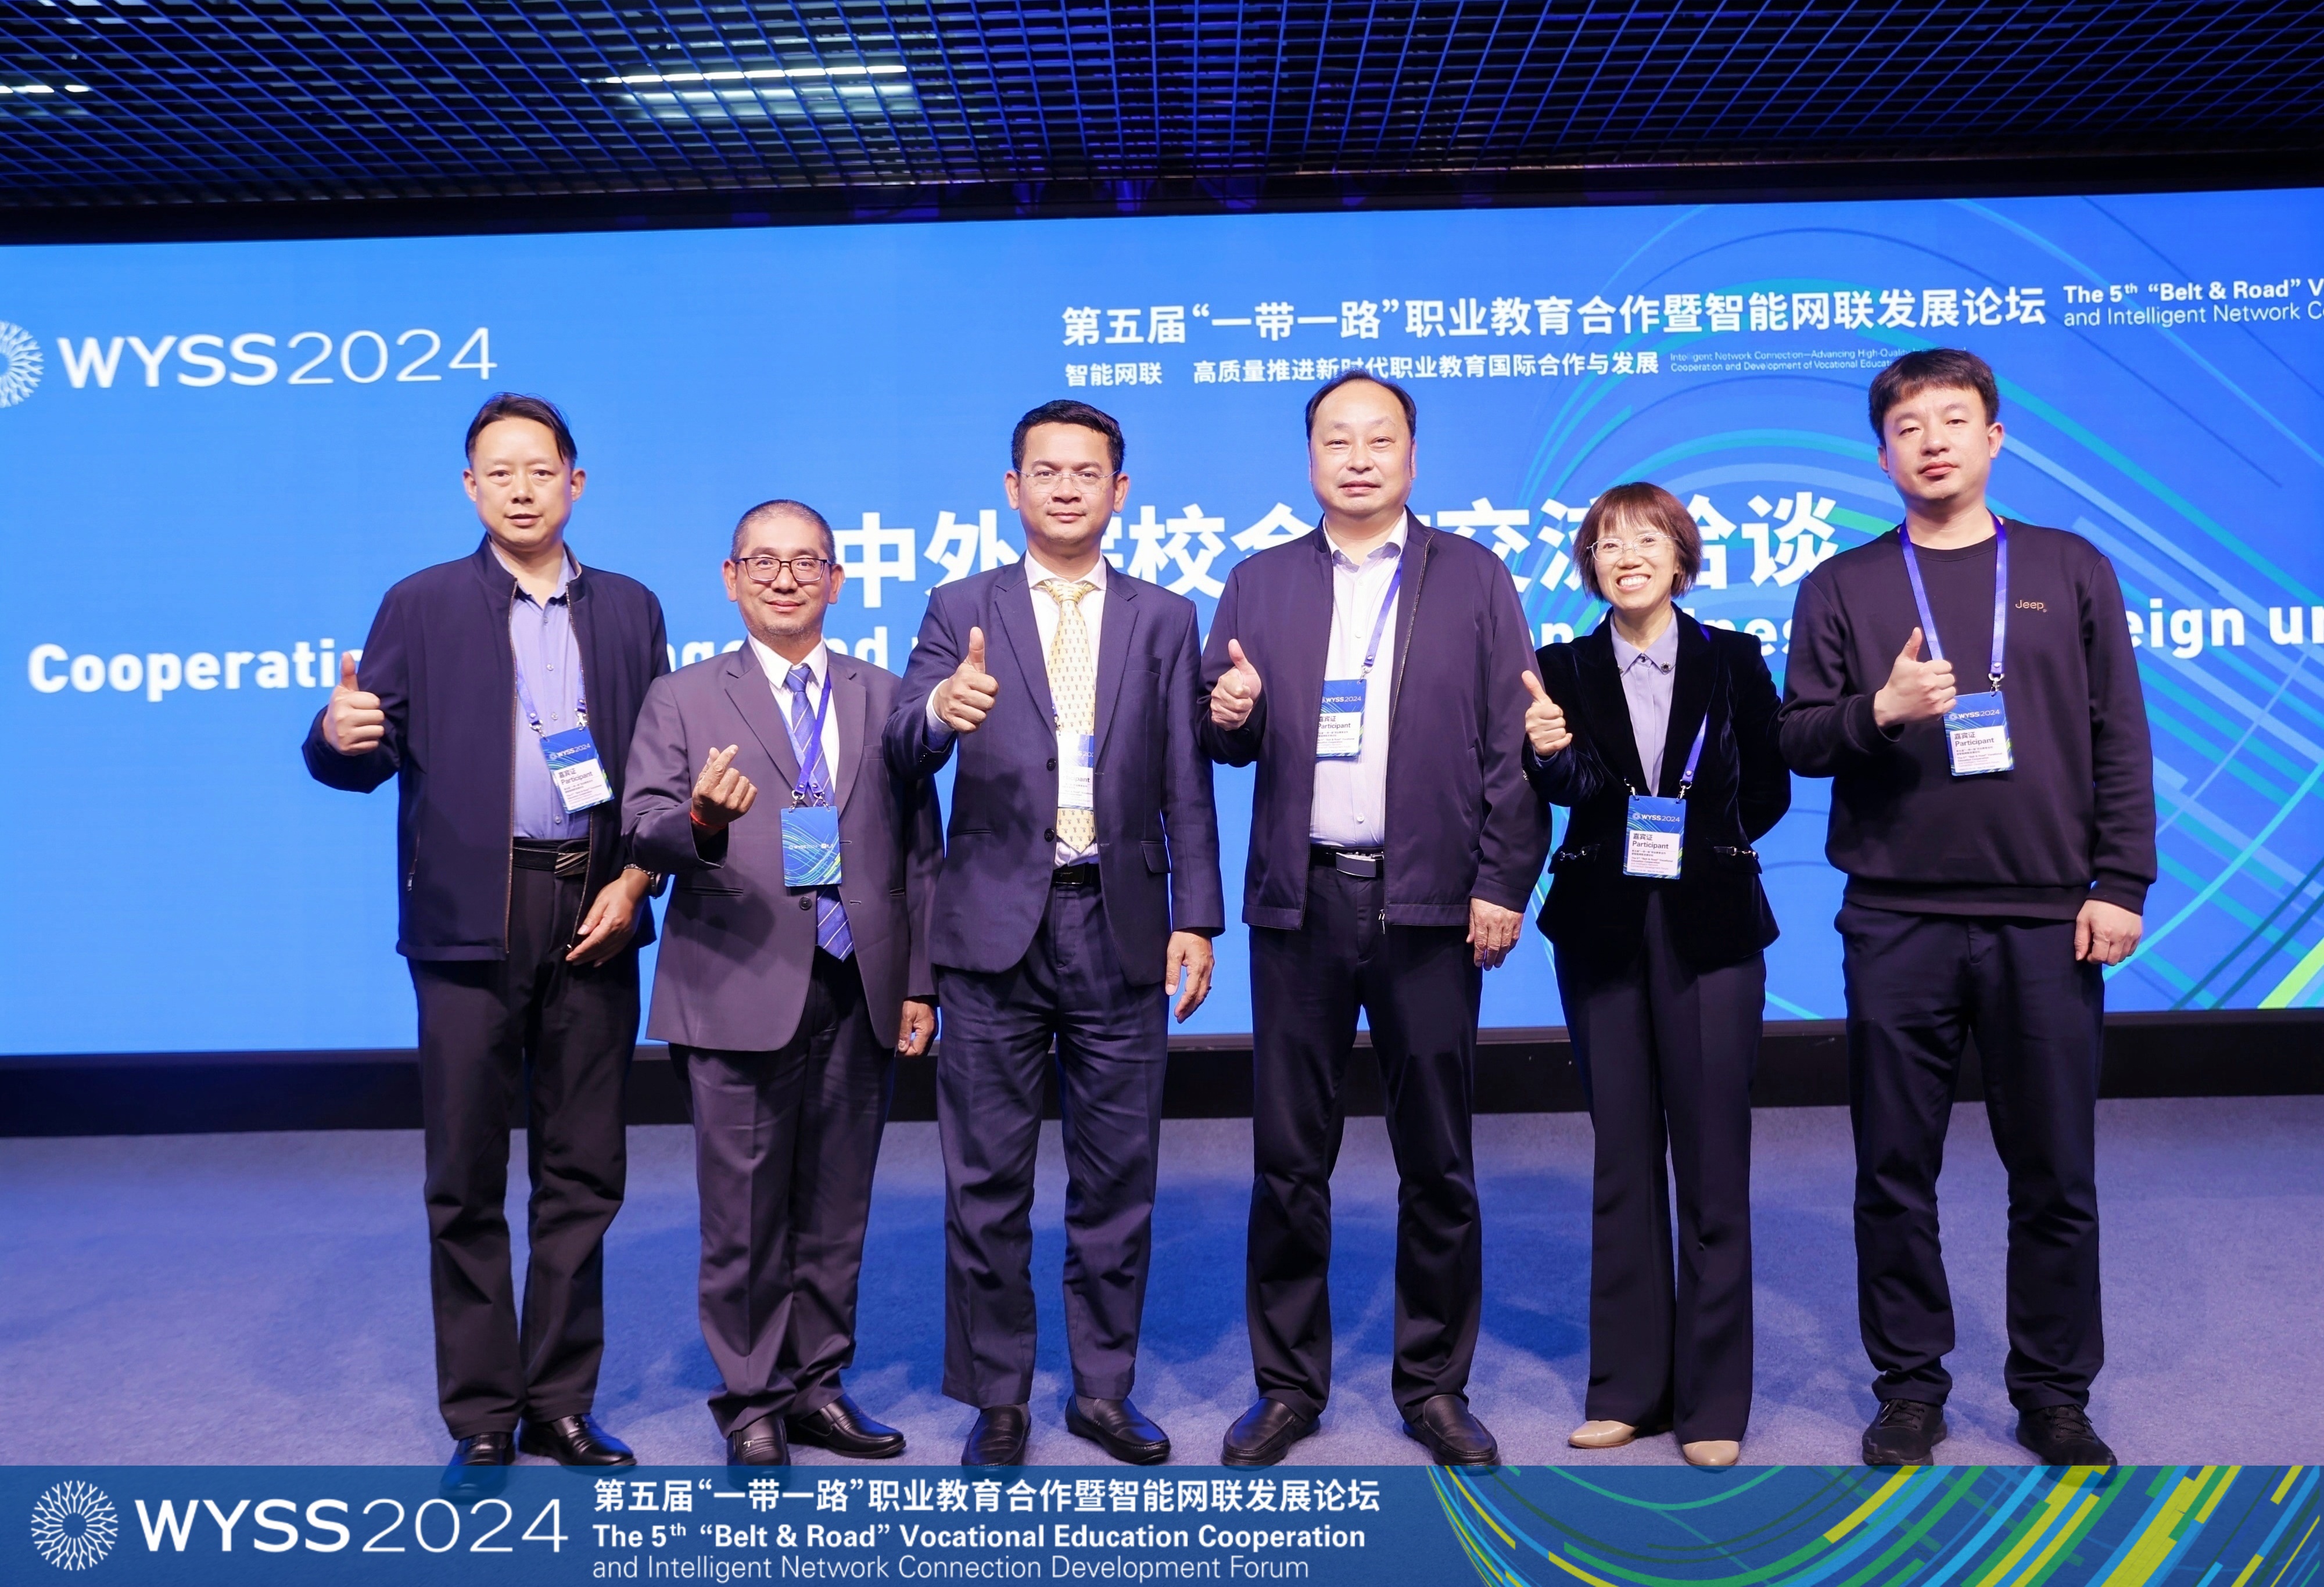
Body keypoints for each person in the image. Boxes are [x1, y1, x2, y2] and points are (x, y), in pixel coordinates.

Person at [1778, 347, 2156, 1468]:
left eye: (1953, 420)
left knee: (2056, 1170)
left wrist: (2121, 883)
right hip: (1897, 917)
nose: (1932, 441)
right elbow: (1798, 738)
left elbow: (2120, 733)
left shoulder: (2068, 567)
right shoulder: (1841, 585)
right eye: (1908, 427)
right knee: (1895, 1168)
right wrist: (1880, 710)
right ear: (1882, 454)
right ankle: (1910, 1388)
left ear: (1994, 438)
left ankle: (2053, 1394)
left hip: (2047, 916)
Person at [303, 394, 666, 1487]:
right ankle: (482, 1412)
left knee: (583, 1171)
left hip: (594, 909)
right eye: (498, 472)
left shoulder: (629, 608)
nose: (520, 489)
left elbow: (658, 772)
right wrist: (335, 736)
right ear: (470, 488)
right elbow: (364, 753)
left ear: (575, 483)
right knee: (463, 1176)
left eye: (539, 471)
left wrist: (638, 880)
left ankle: (561, 1403)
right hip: (469, 918)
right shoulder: (420, 604)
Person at [1199, 371, 1549, 1467]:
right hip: (1299, 902)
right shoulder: (1258, 581)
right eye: (1337, 440)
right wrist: (1228, 713)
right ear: (1309, 458)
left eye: (1379, 439)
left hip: (1431, 902)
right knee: (1288, 1159)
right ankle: (1288, 1388)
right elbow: (1222, 736)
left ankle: (1434, 1387)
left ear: (1412, 456)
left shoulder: (1474, 576)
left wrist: (1503, 881)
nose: (1358, 458)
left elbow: (1514, 742)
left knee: (1437, 1158)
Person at [885, 399, 1224, 1467]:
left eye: (1087, 473)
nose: (1066, 488)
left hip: (1121, 922)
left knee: (1117, 1176)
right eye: (1046, 471)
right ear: (1013, 488)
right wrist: (940, 710)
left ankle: (1103, 1390)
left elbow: (1187, 778)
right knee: (985, 1179)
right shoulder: (960, 606)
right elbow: (900, 744)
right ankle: (997, 1397)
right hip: (990, 928)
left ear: (1120, 491)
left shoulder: (1164, 617)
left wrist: (1197, 916)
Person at [622, 501, 942, 1466]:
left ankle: (817, 1386)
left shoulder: (886, 694)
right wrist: (701, 822)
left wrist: (921, 981)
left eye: (807, 563)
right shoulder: (682, 697)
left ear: (837, 580)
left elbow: (919, 848)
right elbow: (642, 827)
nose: (786, 579)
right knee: (744, 1213)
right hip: (738, 977)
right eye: (763, 562)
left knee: (838, 1204)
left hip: (860, 979)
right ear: (731, 579)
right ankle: (752, 1397)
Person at [1520, 482, 1789, 1468]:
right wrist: (1552, 760)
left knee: (1713, 1162)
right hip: (1601, 928)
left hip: (1713, 929)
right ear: (1590, 565)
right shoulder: (1560, 668)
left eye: (1647, 539)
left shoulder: (1734, 658)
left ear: (1681, 557)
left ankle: (1713, 1401)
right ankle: (1629, 1389)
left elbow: (1768, 787)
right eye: (1607, 543)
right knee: (1622, 1161)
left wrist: (1707, 851)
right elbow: (1573, 791)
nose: (1627, 555)